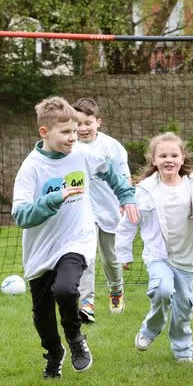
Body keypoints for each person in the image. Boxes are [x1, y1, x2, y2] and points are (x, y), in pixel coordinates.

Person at [11, 96, 137, 379]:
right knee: (42, 316)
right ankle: (54, 353)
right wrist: (53, 199)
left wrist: (126, 197)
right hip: (41, 249)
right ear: (44, 132)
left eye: (76, 129)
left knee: (66, 290)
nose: (74, 136)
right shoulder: (31, 168)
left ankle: (76, 339)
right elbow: (21, 216)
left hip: (76, 239)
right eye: (66, 132)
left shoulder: (83, 154)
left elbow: (111, 173)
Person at [116, 133, 193, 363]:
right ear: (154, 160)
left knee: (184, 308)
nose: (169, 159)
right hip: (159, 256)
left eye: (174, 155)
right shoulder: (144, 190)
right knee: (162, 290)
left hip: (187, 257)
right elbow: (127, 224)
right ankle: (151, 327)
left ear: (182, 158)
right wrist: (124, 254)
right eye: (163, 155)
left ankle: (182, 347)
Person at [72, 97, 130, 323]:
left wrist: (126, 202)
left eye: (88, 123)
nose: (82, 128)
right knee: (86, 256)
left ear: (99, 122)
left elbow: (124, 178)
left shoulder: (112, 147)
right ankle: (87, 304)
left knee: (110, 259)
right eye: (78, 123)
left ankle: (116, 291)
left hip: (110, 210)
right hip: (81, 211)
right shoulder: (69, 146)